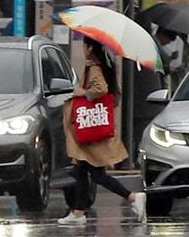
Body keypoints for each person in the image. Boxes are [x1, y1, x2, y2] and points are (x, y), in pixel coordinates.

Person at [59, 39, 146, 225]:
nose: (83, 50)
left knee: (96, 174)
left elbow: (101, 89)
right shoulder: (102, 66)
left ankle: (132, 197)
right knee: (81, 169)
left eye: (84, 46)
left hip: (90, 128)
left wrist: (82, 92)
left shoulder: (94, 68)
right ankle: (78, 212)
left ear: (90, 48)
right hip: (92, 126)